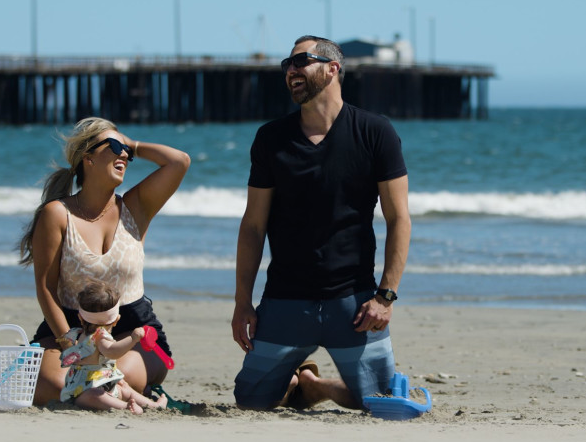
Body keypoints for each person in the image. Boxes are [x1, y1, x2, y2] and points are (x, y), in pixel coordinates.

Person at [231, 35, 411, 410]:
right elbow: (252, 227)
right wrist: (242, 302)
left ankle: (313, 386)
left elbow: (399, 219)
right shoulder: (271, 138)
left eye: (300, 61)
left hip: (354, 302)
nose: (291, 71)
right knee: (251, 401)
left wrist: (385, 296)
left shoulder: (375, 132)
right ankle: (293, 374)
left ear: (333, 69)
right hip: (285, 299)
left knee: (383, 403)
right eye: (287, 65)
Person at [20, 117, 190, 406]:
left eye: (126, 149)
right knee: (52, 383)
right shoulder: (57, 214)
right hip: (69, 328)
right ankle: (113, 396)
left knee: (109, 377)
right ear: (88, 159)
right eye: (113, 146)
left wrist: (132, 144)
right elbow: (46, 288)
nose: (123, 153)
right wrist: (69, 344)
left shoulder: (136, 207)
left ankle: (109, 392)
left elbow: (179, 162)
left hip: (132, 331)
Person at [60, 281, 168, 414]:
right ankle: (126, 407)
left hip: (101, 384)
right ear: (116, 319)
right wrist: (133, 339)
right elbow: (111, 352)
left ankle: (152, 405)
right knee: (95, 396)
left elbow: (106, 353)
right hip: (84, 390)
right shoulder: (95, 336)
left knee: (124, 388)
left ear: (80, 317)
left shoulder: (84, 334)